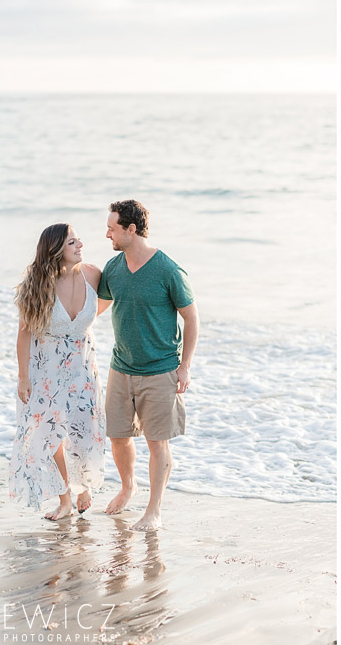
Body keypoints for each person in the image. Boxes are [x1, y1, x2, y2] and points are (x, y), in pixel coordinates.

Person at [97, 200, 199, 531]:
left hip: (160, 370)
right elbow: (95, 308)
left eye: (112, 227)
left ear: (131, 229)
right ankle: (128, 487)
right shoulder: (113, 269)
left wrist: (185, 366)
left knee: (157, 442)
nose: (107, 233)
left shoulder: (168, 270)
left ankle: (154, 510)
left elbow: (192, 317)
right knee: (117, 435)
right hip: (121, 367)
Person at [9, 224, 106, 520]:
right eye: (72, 242)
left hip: (84, 368)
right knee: (51, 435)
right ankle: (65, 498)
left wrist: (80, 328)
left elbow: (105, 304)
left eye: (78, 240)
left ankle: (84, 486)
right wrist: (23, 378)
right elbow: (24, 333)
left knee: (84, 431)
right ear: (55, 251)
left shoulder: (94, 275)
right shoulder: (38, 285)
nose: (80, 245)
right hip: (47, 370)